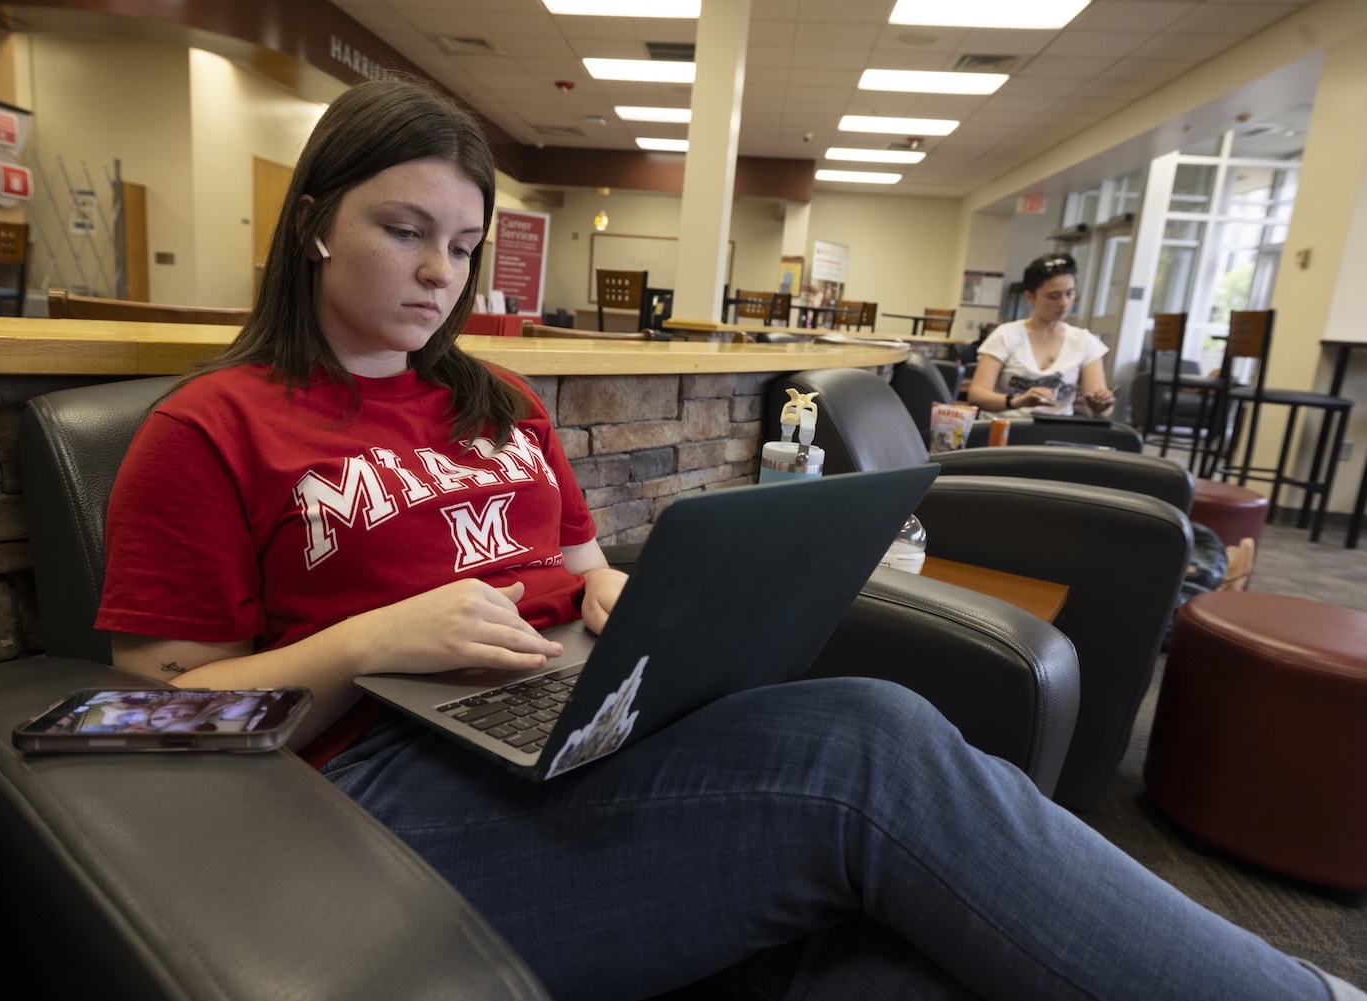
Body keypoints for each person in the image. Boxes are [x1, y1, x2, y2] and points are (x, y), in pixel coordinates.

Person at [94, 77, 1363, 1001]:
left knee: (911, 956)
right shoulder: (214, 428)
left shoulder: (498, 401)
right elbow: (161, 720)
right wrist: (374, 635)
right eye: (403, 229)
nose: (441, 273)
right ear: (315, 220)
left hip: (567, 724)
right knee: (870, 741)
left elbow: (579, 568)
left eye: (465, 243)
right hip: (384, 799)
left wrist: (609, 602)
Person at [967, 254, 1117, 418]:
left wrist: (1100, 406)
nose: (1064, 303)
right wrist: (1016, 401)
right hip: (1003, 432)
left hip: (1054, 436)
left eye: (1070, 294)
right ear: (1030, 297)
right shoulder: (1005, 335)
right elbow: (977, 395)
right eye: (1054, 296)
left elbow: (1100, 410)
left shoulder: (1085, 342)